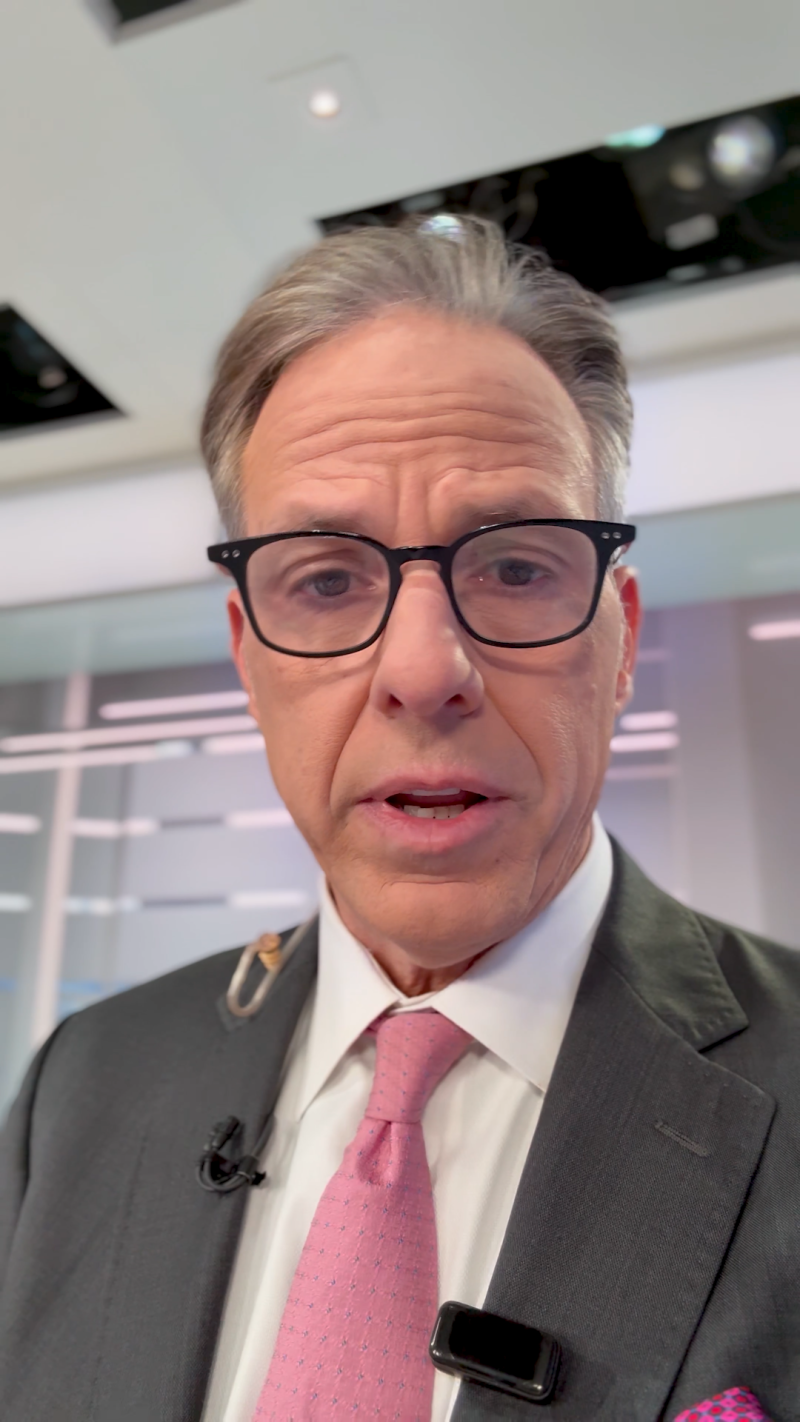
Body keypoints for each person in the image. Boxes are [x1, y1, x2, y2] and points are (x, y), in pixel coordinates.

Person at [0, 218, 797, 1422]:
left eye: (515, 568)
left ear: (621, 637)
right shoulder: (85, 1083)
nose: (424, 671)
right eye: (325, 581)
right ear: (247, 658)